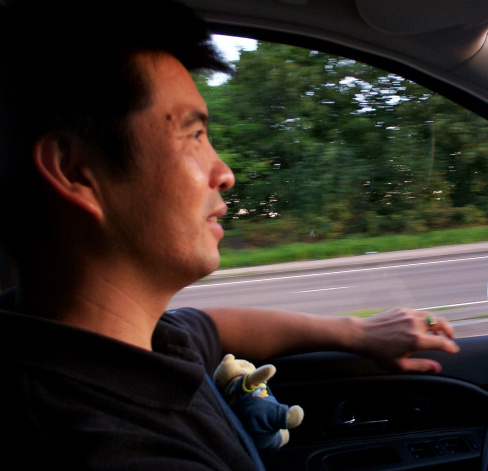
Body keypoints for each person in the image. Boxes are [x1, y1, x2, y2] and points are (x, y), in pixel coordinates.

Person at [0, 0, 459, 469]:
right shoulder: (111, 450)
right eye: (194, 135)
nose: (224, 173)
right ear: (74, 170)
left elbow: (213, 327)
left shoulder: (108, 343)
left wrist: (358, 332)